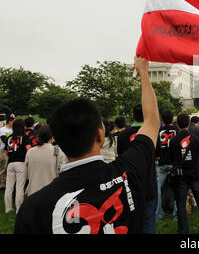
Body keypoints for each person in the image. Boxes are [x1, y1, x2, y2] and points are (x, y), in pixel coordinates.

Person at [14, 56, 160, 234]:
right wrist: (144, 72)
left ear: (57, 140)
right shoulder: (127, 173)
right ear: (100, 134)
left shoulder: (33, 209)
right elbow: (152, 121)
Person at [168, 113, 199, 234]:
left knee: (180, 204)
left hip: (181, 176)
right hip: (195, 174)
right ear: (189, 123)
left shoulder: (174, 141)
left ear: (178, 125)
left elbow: (172, 158)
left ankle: (183, 230)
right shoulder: (195, 138)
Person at [117, 102, 157, 234]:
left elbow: (120, 157)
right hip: (149, 182)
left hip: (129, 184)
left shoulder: (122, 135)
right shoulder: (152, 133)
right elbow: (157, 156)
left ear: (133, 115)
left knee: (131, 223)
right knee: (149, 222)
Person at [24, 125, 66, 196]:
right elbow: (62, 174)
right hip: (51, 192)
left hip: (33, 192)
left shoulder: (30, 152)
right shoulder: (58, 152)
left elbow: (26, 174)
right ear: (52, 136)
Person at [155, 109, 178, 221]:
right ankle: (177, 215)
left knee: (158, 190)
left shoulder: (158, 130)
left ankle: (158, 215)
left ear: (162, 119)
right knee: (178, 188)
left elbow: (156, 148)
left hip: (162, 163)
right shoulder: (177, 130)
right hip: (175, 164)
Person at [4, 119, 31, 214]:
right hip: (21, 163)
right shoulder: (25, 137)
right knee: (19, 187)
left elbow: (6, 152)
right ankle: (19, 209)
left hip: (10, 164)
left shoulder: (9, 138)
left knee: (9, 187)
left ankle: (8, 208)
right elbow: (29, 150)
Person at [0, 115, 14, 189]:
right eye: (13, 121)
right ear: (10, 122)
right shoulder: (2, 130)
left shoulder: (14, 130)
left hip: (11, 151)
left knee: (9, 167)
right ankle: (2, 184)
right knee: (3, 167)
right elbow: (4, 140)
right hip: (3, 151)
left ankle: (8, 183)